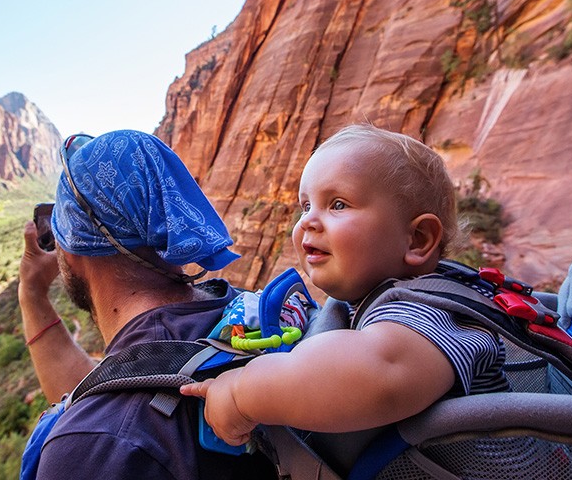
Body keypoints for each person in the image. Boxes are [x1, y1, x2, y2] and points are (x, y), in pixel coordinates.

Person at [180, 124, 509, 447]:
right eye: (306, 206)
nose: (307, 220)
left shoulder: (430, 311)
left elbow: (377, 375)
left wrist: (242, 392)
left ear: (417, 240)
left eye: (338, 204)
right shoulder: (389, 297)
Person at [17, 130, 276, 480]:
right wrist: (31, 296)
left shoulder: (88, 451)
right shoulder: (236, 314)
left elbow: (111, 422)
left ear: (73, 251)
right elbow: (106, 388)